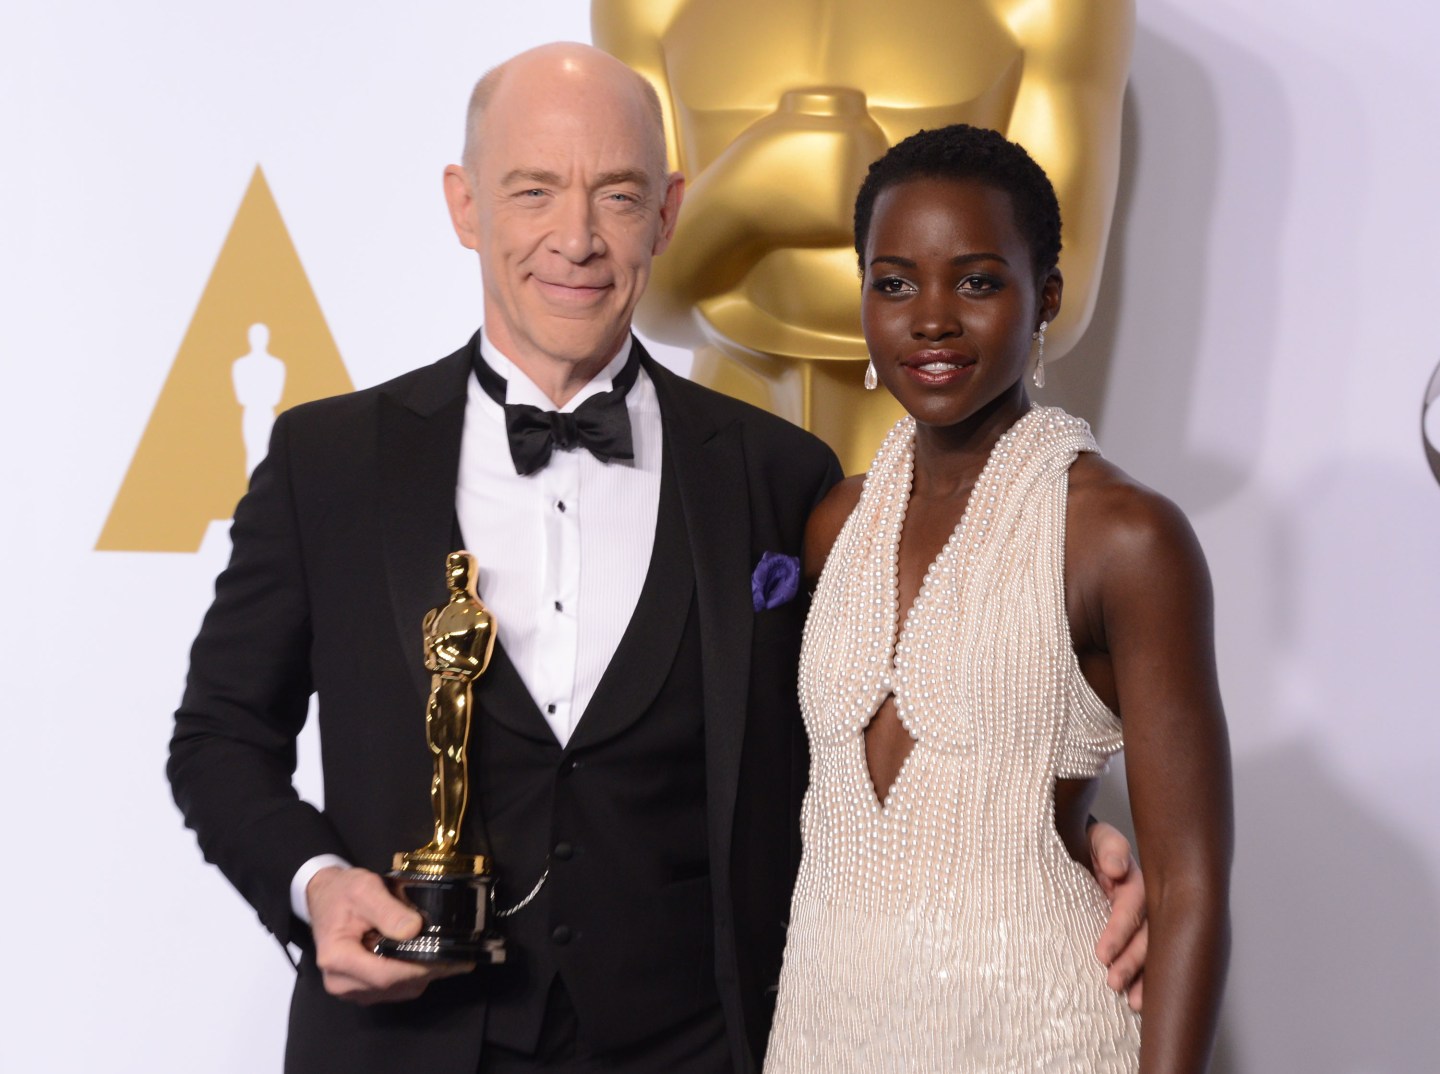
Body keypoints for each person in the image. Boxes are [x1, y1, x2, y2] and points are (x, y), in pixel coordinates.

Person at [168, 44, 1149, 1074]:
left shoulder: (782, 477)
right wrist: (316, 882)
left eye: (618, 194)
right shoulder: (328, 462)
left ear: (669, 212)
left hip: (700, 1046)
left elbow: (870, 732)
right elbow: (219, 737)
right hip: (400, 1048)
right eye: (533, 190)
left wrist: (1056, 836)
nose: (577, 238)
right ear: (466, 206)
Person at [764, 124, 1232, 1072]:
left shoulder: (1123, 537)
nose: (931, 318)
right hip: (820, 1035)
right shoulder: (834, 522)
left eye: (976, 280)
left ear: (1044, 295)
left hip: (1041, 1037)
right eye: (893, 283)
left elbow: (1190, 885)